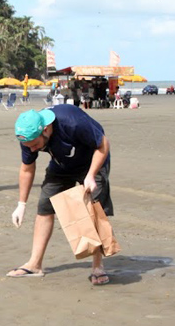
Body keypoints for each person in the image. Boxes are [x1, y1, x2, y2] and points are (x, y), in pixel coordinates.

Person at [7, 104, 113, 285]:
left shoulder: (72, 122)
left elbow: (103, 144)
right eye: (28, 146)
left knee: (94, 209)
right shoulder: (28, 135)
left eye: (35, 145)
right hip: (62, 163)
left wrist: (90, 176)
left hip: (93, 160)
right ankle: (35, 264)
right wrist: (21, 204)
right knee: (45, 206)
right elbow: (27, 169)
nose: (32, 149)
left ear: (46, 129)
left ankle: (97, 265)